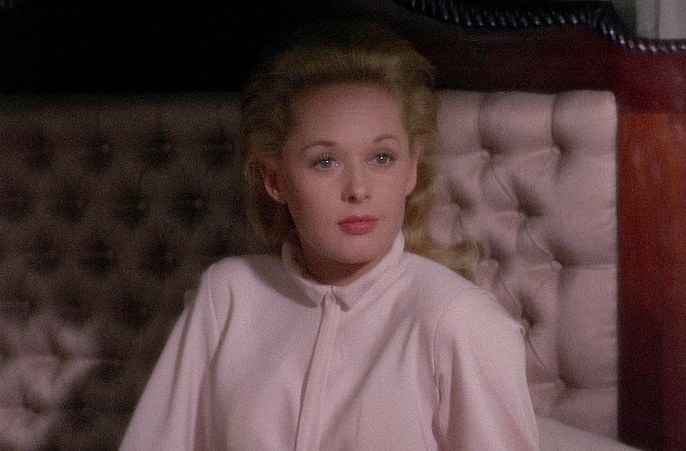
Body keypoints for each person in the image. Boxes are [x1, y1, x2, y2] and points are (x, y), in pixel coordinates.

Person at [120, 22, 539, 450]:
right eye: (325, 162)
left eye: (381, 157)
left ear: (411, 170)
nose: (358, 189)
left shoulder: (461, 322)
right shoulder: (226, 296)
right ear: (275, 180)